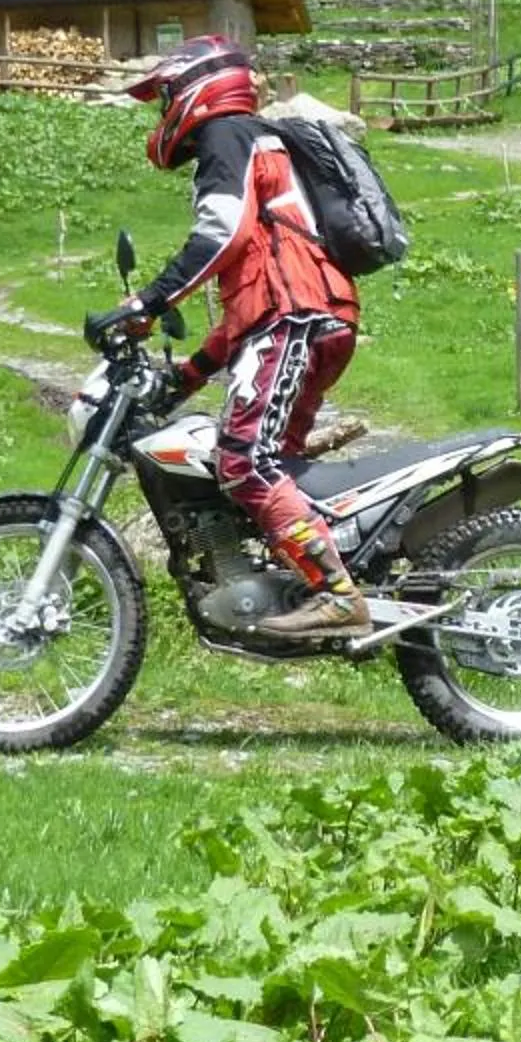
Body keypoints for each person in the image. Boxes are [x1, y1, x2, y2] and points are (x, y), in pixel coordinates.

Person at [91, 36, 366, 638]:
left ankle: (337, 594)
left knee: (242, 462)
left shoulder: (228, 135)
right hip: (305, 314)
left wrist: (145, 301)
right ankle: (299, 581)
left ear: (196, 89)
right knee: (276, 468)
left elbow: (221, 236)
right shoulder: (249, 140)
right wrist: (187, 377)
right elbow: (247, 302)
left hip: (296, 317)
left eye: (166, 94)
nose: (163, 109)